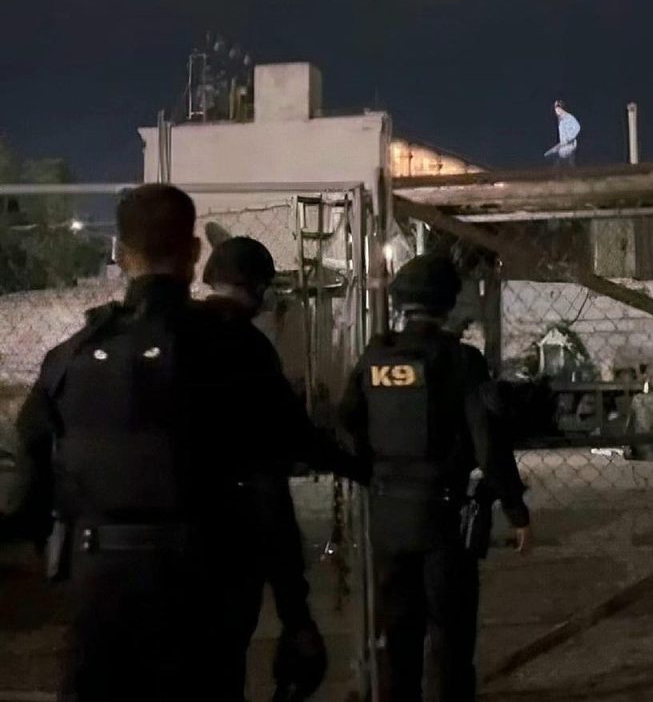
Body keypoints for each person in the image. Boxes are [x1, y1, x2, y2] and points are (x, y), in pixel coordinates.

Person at [6, 185, 323, 701]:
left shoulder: (71, 356)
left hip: (101, 591)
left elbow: (28, 487)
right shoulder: (237, 348)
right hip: (205, 590)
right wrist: (296, 613)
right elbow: (268, 483)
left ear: (118, 252)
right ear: (195, 253)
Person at [338, 253, 531, 702]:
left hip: (388, 517)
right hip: (443, 519)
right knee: (450, 639)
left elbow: (346, 424)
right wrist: (516, 508)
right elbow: (487, 443)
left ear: (401, 303)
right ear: (449, 303)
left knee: (397, 637)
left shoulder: (375, 356)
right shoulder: (461, 360)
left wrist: (375, 474)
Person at [202, 235, 341, 701]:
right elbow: (292, 432)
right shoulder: (248, 344)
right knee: (227, 655)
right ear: (258, 287)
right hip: (237, 520)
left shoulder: (175, 330)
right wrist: (358, 465)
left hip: (170, 525)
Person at [544, 100, 581, 167]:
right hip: (563, 147)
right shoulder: (560, 119)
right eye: (556, 109)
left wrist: (569, 138)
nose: (557, 111)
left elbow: (577, 127)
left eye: (558, 108)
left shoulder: (569, 117)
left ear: (562, 108)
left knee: (566, 165)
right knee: (549, 156)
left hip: (570, 147)